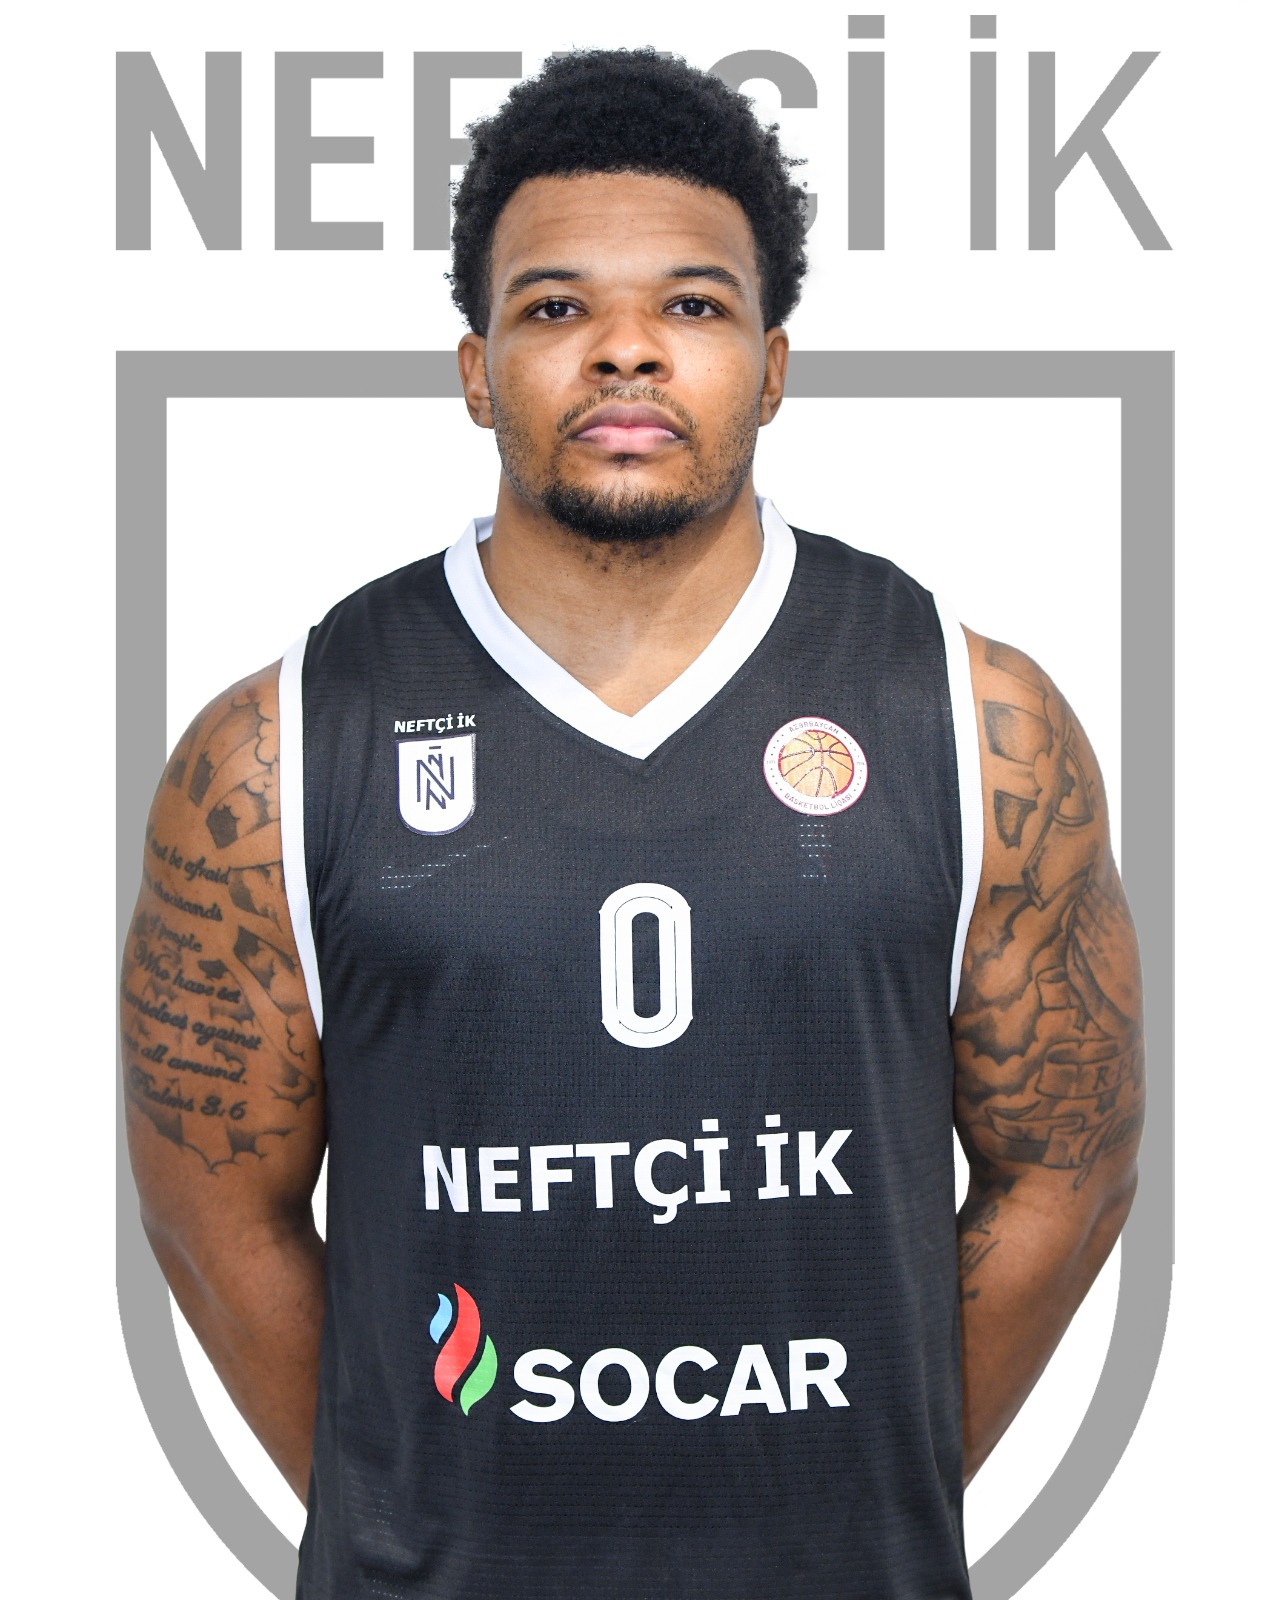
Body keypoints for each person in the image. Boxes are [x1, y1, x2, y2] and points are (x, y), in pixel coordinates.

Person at [121, 48, 1144, 1600]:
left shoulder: (966, 713)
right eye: (554, 307)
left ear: (772, 366)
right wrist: (413, 1514)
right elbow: (210, 1209)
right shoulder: (284, 742)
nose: (624, 349)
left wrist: (866, 1495)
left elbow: (1072, 1168)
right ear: (477, 370)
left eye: (693, 304)